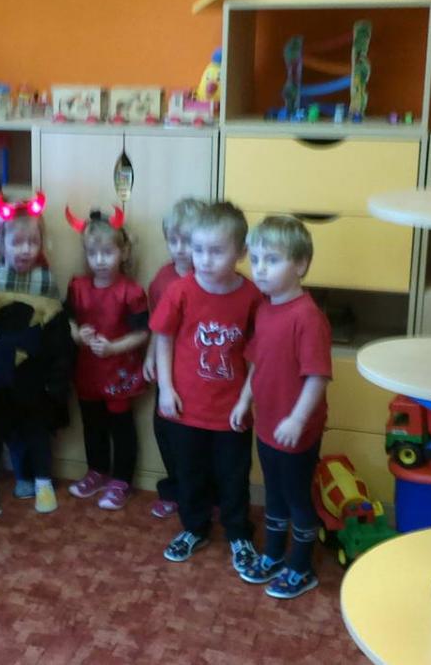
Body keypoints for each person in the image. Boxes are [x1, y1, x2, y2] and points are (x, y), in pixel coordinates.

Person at [150, 202, 266, 582]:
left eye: (216, 251)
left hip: (232, 410)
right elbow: (163, 338)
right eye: (198, 249)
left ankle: (238, 533)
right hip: (186, 407)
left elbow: (258, 353)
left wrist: (246, 400)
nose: (203, 259)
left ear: (241, 252)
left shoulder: (252, 297)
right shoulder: (180, 291)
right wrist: (165, 389)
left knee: (234, 475)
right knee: (189, 473)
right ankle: (194, 527)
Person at [231, 215, 332, 600]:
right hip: (267, 424)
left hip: (296, 432)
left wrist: (297, 419)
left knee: (296, 498)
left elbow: (317, 376)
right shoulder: (265, 309)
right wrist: (245, 399)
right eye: (256, 259)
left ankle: (301, 567)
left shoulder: (308, 317)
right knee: (273, 495)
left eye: (272, 260)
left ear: (301, 265)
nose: (260, 269)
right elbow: (257, 362)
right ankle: (274, 555)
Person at [0, 193, 72, 513]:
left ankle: (41, 480)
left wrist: (56, 380)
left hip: (33, 373)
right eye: (17, 242)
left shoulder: (45, 281)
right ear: (1, 242)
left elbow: (56, 330)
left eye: (33, 242)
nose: (25, 250)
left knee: (35, 428)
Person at [64, 209, 149, 510]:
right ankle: (97, 471)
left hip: (117, 371)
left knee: (121, 427)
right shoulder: (77, 287)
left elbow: (143, 333)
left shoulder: (131, 292)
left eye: (107, 252)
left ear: (123, 252)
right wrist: (77, 334)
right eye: (93, 253)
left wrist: (113, 348)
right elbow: (67, 320)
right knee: (92, 425)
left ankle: (122, 480)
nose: (100, 260)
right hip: (87, 371)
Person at [142, 197, 207, 519]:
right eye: (173, 240)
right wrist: (149, 356)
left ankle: (202, 494)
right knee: (164, 431)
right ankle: (175, 489)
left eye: (188, 241)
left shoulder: (209, 278)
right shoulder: (161, 280)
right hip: (167, 371)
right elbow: (158, 325)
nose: (180, 249)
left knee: (196, 439)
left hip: (198, 374)